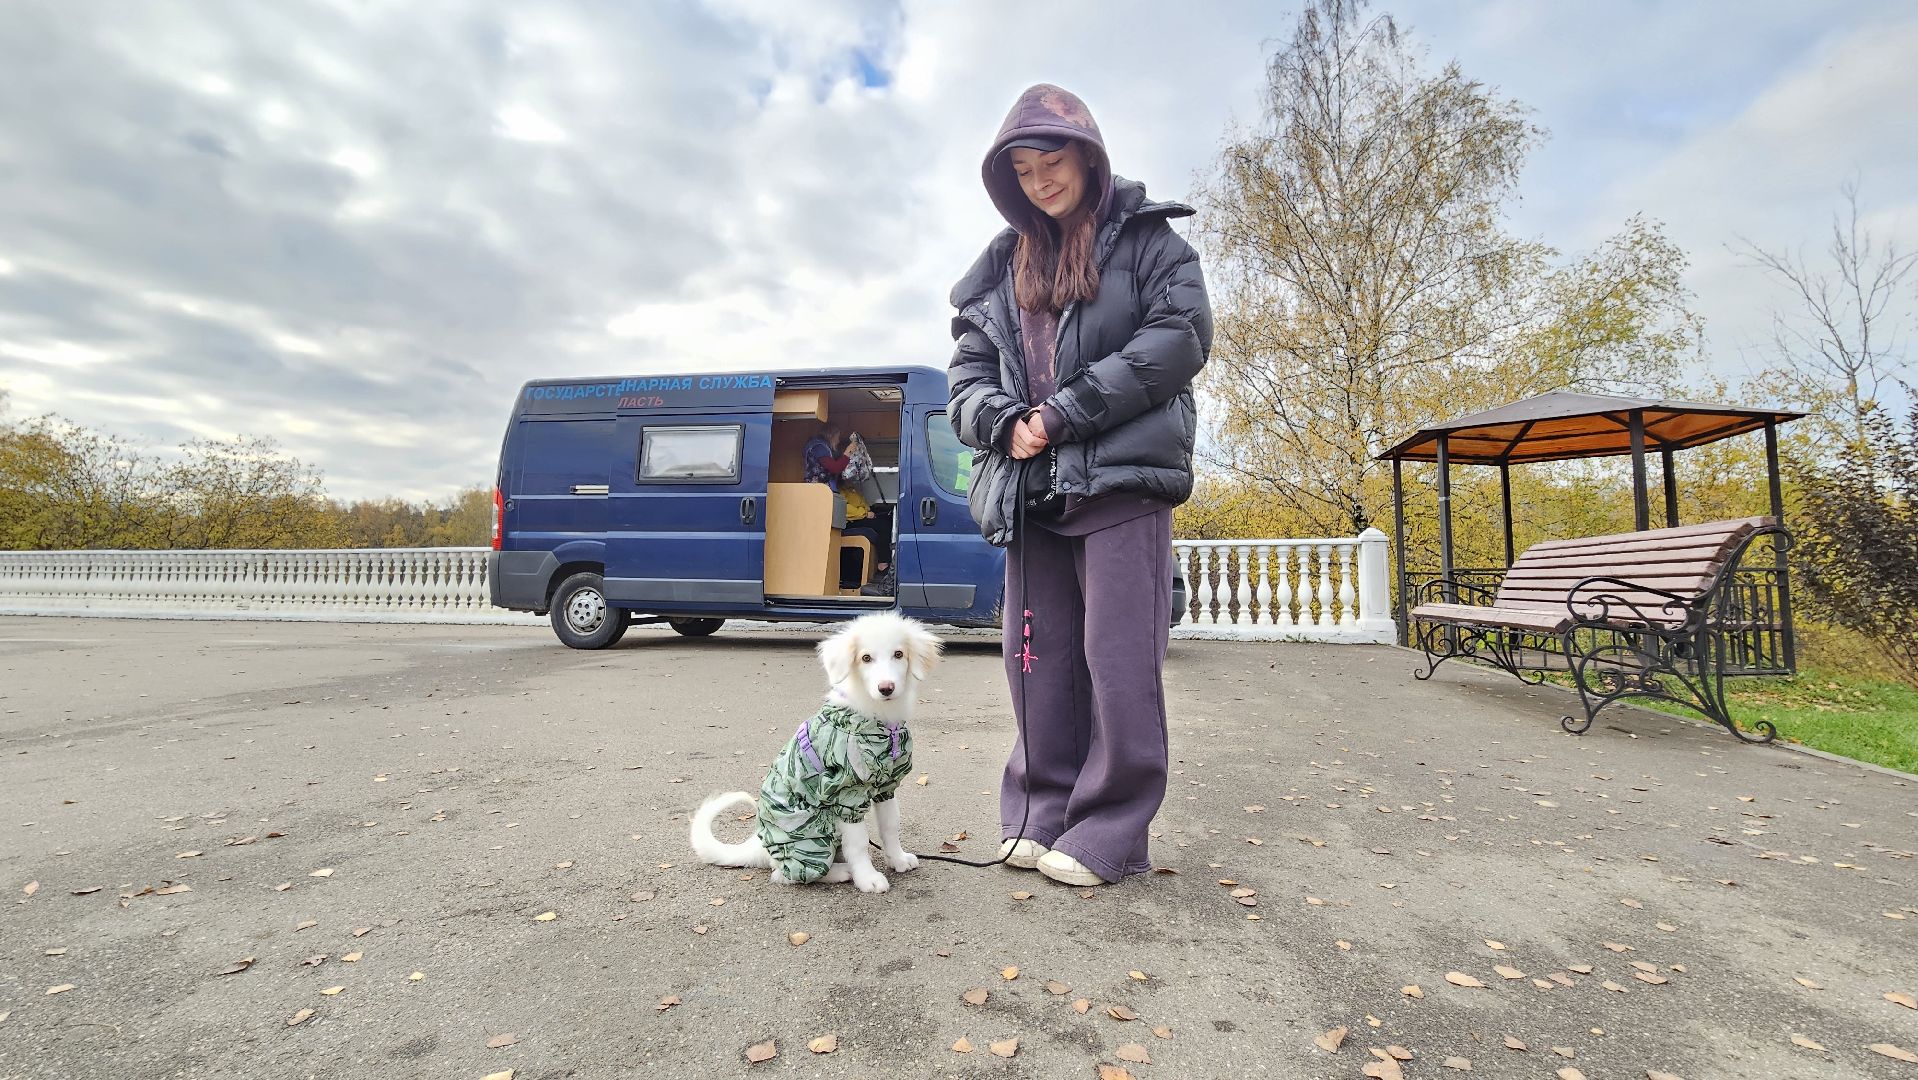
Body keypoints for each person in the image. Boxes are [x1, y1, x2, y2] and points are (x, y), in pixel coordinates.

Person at [947, 84, 1211, 887]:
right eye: (1022, 169)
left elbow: (1182, 337)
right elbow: (964, 377)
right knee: (1039, 662)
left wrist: (1063, 412)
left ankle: (1111, 834)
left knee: (1118, 660)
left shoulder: (1151, 243)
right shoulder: (998, 267)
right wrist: (1004, 420)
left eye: (1051, 159)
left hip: (1122, 484)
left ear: (1087, 155)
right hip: (1034, 492)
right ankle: (1038, 815)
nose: (1039, 180)